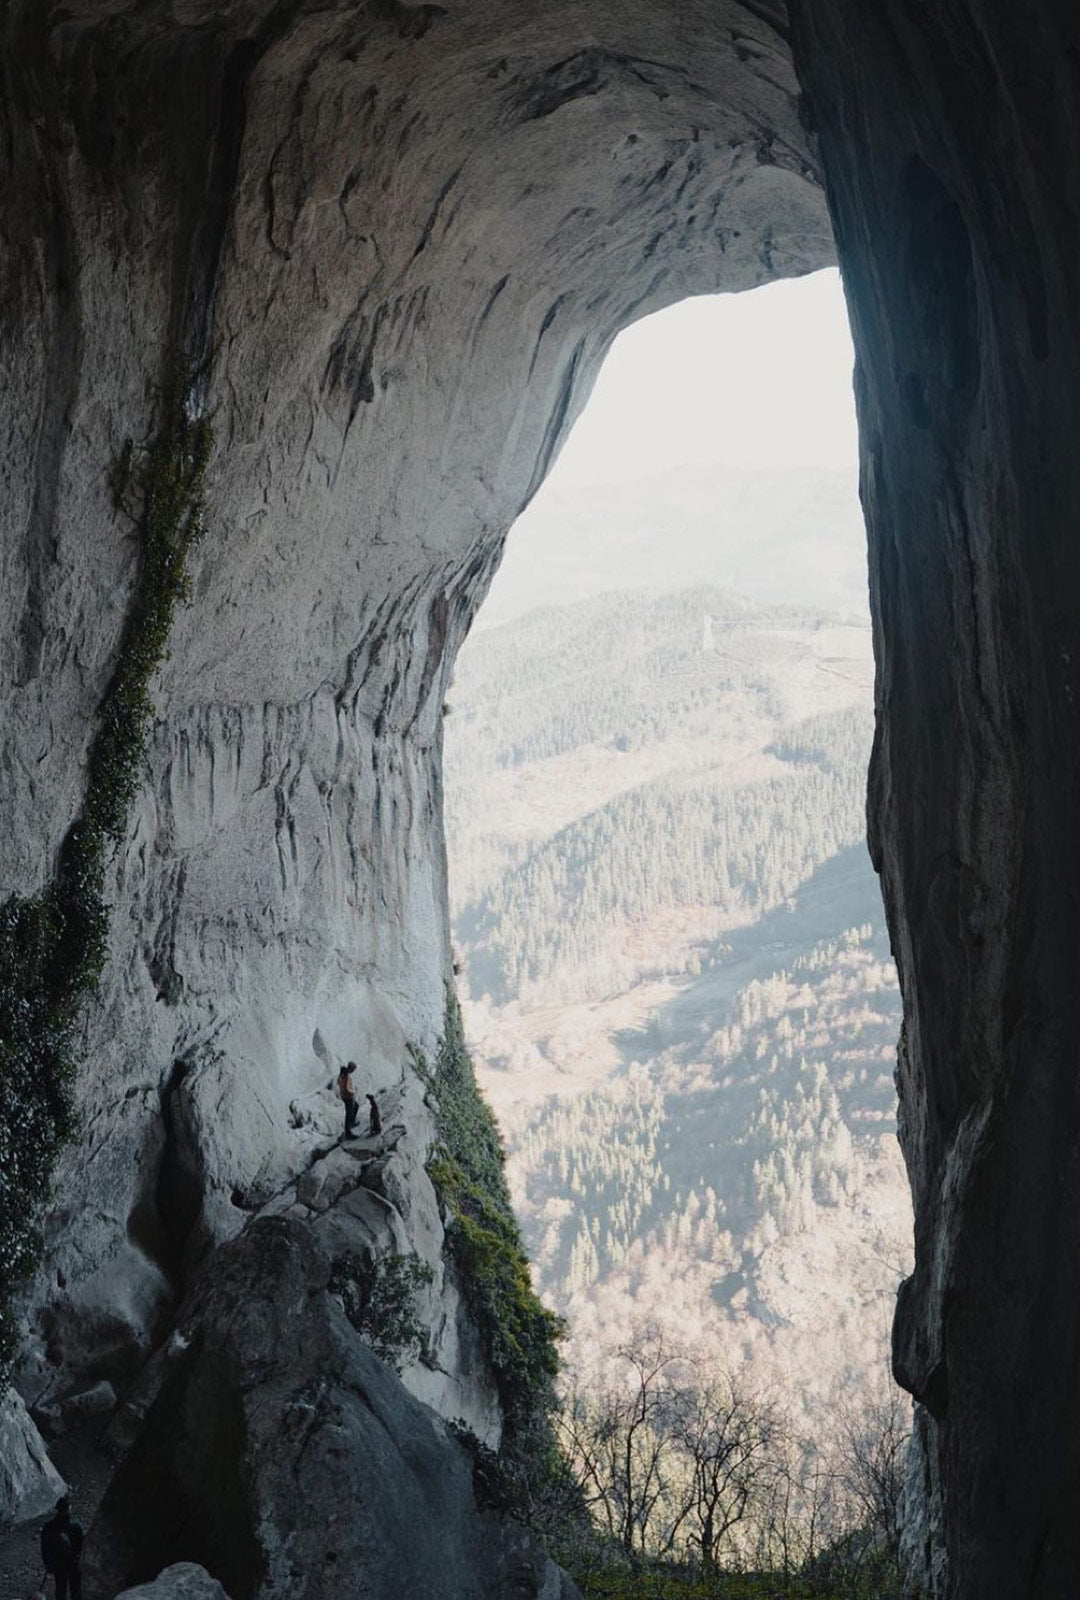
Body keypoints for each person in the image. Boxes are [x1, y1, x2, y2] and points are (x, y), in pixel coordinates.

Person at [40, 1495, 83, 1600]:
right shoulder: (75, 1526)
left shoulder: (48, 1526)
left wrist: (48, 1564)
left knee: (60, 1590)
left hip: (58, 1564)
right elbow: (81, 1546)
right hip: (73, 1563)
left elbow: (44, 1547)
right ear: (69, 1508)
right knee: (76, 1591)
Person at [336, 1062, 360, 1138]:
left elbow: (338, 1083)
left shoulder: (341, 1074)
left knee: (356, 1106)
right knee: (349, 1113)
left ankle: (352, 1122)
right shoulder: (347, 1077)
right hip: (349, 1097)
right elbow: (347, 1088)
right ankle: (348, 1132)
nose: (353, 1071)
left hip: (344, 1096)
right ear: (351, 1069)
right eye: (353, 1069)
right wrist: (353, 1092)